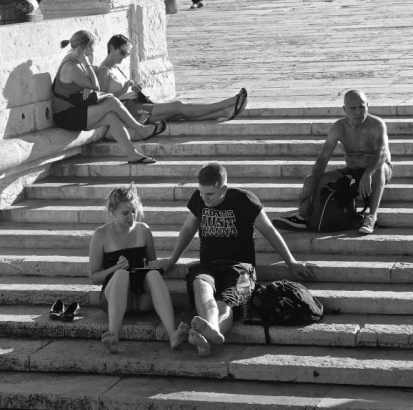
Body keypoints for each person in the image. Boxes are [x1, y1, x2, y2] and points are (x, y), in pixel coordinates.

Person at [149, 162, 313, 356]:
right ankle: (211, 331)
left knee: (226, 305)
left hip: (242, 269)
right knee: (201, 286)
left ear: (223, 188)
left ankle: (211, 331)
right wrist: (172, 259)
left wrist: (291, 262)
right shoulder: (198, 199)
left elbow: (269, 230)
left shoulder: (245, 200)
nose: (203, 198)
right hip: (208, 266)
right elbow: (187, 230)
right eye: (201, 193)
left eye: (209, 194)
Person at [273, 90, 392, 235]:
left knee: (380, 168)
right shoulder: (339, 127)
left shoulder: (377, 124)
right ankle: (303, 216)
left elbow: (382, 152)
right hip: (353, 170)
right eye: (353, 108)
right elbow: (323, 158)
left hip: (378, 168)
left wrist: (368, 173)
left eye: (362, 107)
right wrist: (313, 181)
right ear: (344, 109)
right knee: (313, 180)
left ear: (367, 105)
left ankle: (372, 216)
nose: (358, 112)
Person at [89, 186, 189, 353]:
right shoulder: (101, 235)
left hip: (142, 299)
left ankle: (172, 334)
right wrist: (115, 268)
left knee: (153, 275)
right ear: (112, 212)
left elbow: (151, 264)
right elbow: (94, 277)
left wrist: (160, 264)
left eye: (134, 211)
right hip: (115, 297)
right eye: (125, 213)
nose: (131, 217)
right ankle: (113, 335)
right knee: (121, 274)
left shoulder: (144, 230)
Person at [52, 30, 166, 165]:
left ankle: (132, 154)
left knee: (111, 117)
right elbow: (96, 87)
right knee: (111, 101)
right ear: (85, 48)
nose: (92, 52)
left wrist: (88, 64)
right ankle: (140, 129)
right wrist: (88, 64)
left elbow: (90, 86)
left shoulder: (76, 61)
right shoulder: (71, 66)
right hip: (66, 116)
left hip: (75, 110)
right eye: (91, 49)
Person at [97, 34, 248, 125]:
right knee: (177, 106)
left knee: (178, 113)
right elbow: (103, 100)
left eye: (127, 54)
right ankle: (229, 103)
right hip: (131, 110)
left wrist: (135, 89)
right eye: (122, 52)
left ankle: (224, 112)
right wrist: (125, 90)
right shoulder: (103, 71)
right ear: (111, 47)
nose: (124, 57)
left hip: (137, 104)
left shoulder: (116, 68)